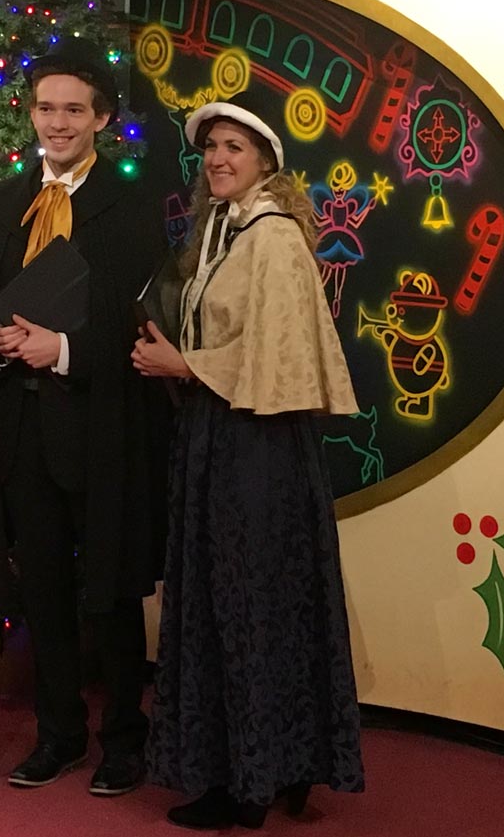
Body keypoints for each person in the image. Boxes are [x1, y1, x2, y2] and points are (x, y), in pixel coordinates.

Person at [132, 100, 365, 830]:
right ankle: (274, 765)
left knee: (248, 605)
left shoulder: (271, 237)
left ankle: (249, 782)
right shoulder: (221, 233)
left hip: (256, 449)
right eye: (210, 149)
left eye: (234, 147)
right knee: (231, 601)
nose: (218, 159)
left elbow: (278, 353)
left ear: (266, 160)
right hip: (221, 438)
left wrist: (182, 363)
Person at [0, 40, 168, 797]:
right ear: (31, 112)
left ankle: (124, 738)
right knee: (44, 588)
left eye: (74, 110)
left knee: (112, 589)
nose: (57, 123)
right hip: (21, 429)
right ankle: (58, 734)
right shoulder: (0, 205)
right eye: (46, 107)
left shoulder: (132, 204)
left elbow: (134, 322)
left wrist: (61, 348)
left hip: (100, 424)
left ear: (103, 119)